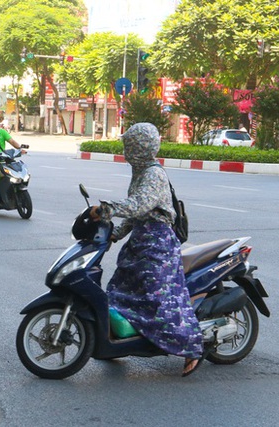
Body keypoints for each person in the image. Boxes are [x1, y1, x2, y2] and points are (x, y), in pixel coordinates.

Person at [89, 122, 204, 377]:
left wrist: (107, 209)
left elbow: (139, 205)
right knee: (118, 289)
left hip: (157, 245)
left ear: (139, 147)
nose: (126, 149)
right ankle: (121, 343)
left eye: (129, 145)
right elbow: (138, 214)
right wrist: (115, 234)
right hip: (141, 241)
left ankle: (191, 347)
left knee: (157, 300)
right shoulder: (140, 171)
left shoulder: (153, 174)